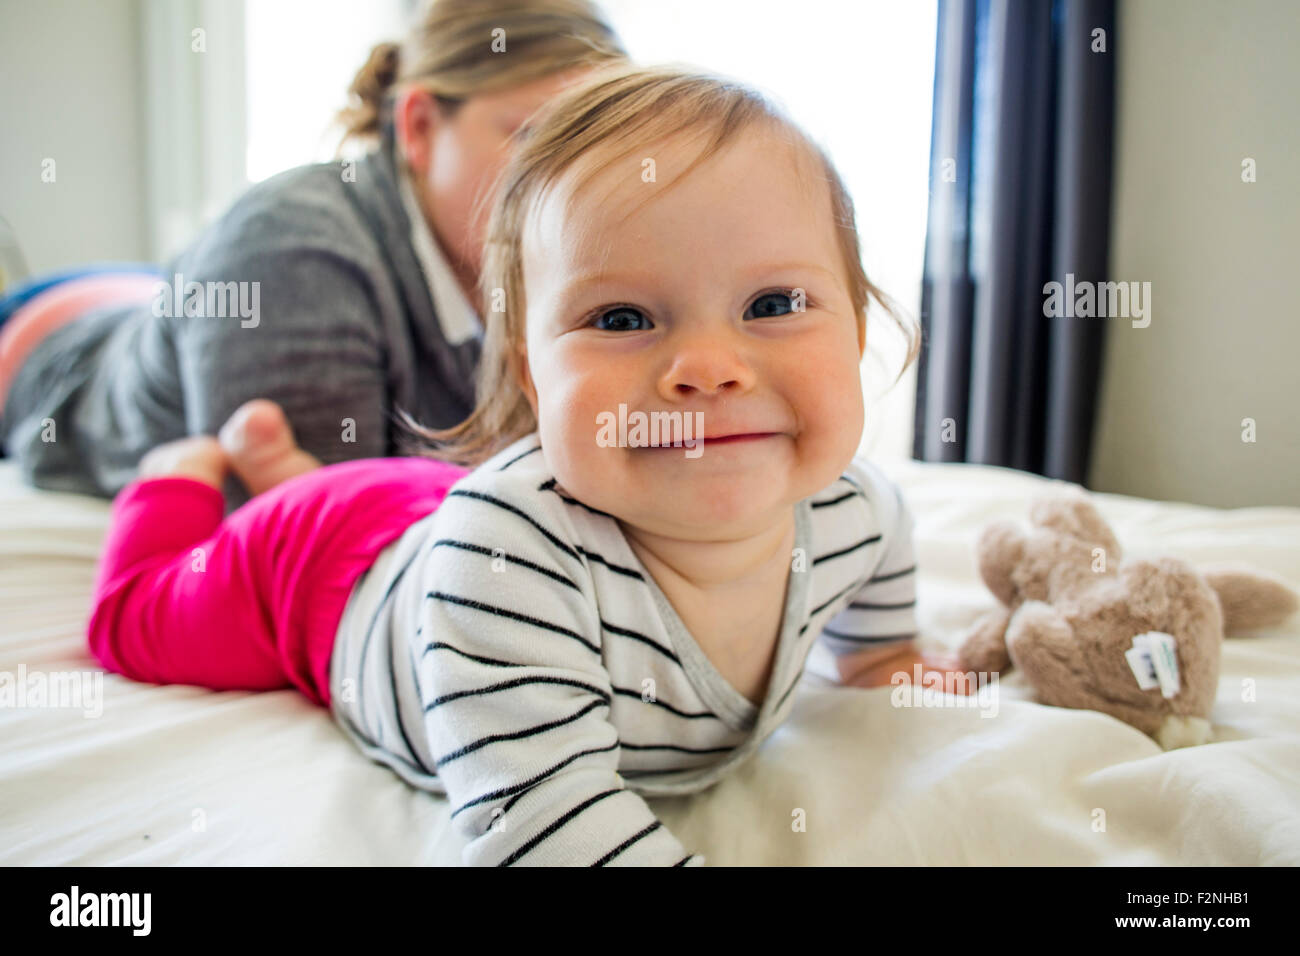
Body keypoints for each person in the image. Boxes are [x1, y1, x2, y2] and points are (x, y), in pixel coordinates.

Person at [85, 64, 970, 867]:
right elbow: (545, 826)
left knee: (444, 509)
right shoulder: (503, 561)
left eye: (773, 303)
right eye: (622, 318)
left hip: (437, 514)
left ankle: (281, 465)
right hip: (322, 572)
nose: (709, 365)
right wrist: (179, 488)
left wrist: (883, 656)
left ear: (856, 332)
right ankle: (188, 470)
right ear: (531, 376)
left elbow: (881, 591)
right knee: (139, 625)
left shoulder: (854, 507)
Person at [0, 0, 626, 511]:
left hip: (149, 296)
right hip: (42, 343)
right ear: (417, 127)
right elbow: (314, 548)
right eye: (532, 137)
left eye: (597, 146)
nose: (572, 181)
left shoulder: (551, 258)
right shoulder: (295, 260)